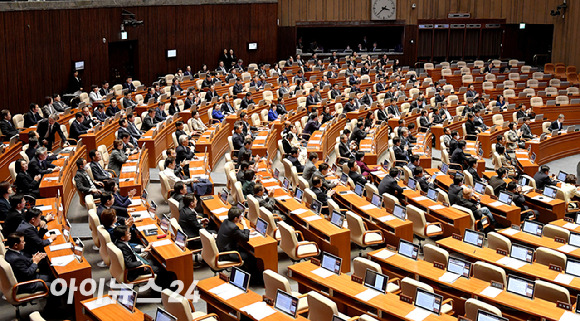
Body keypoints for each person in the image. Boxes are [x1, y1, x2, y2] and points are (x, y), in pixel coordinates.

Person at [112, 226, 176, 290]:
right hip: (135, 270)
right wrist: (141, 263)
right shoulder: (122, 247)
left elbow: (131, 250)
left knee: (155, 262)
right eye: (128, 233)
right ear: (122, 238)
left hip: (137, 261)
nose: (130, 234)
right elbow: (129, 264)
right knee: (161, 270)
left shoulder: (119, 242)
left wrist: (144, 249)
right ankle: (158, 291)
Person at [216, 208, 262, 285]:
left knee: (246, 250)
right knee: (251, 257)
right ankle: (255, 280)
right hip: (228, 254)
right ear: (235, 218)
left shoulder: (226, 222)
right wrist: (244, 225)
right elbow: (246, 238)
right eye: (240, 216)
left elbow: (237, 233)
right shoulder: (234, 227)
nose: (241, 218)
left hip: (222, 249)